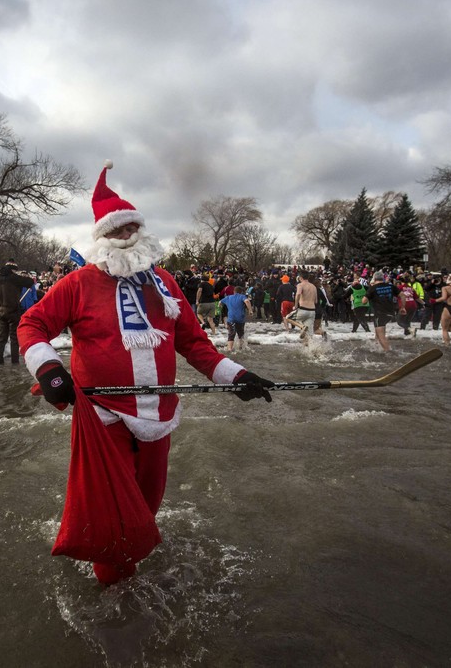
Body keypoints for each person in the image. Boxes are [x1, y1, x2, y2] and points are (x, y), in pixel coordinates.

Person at [18, 161, 274, 585]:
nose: (126, 236)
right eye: (117, 230)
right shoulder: (78, 284)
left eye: (132, 227)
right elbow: (32, 325)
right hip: (102, 416)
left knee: (146, 504)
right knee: (113, 511)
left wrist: (237, 376)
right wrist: (49, 370)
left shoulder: (165, 284)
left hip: (158, 414)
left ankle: (130, 566)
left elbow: (193, 343)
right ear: (101, 237)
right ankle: (115, 595)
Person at [0, 259, 35, 364]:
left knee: (2, 337)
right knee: (14, 338)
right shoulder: (14, 278)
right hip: (13, 310)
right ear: (13, 269)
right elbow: (30, 282)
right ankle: (15, 362)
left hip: (2, 310)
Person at [366, 271, 405, 352]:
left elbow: (364, 301)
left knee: (381, 336)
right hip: (390, 313)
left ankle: (388, 352)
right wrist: (403, 307)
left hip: (379, 313)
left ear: (374, 279)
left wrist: (370, 291)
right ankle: (377, 348)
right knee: (378, 331)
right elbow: (402, 295)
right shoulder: (390, 286)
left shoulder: (373, 288)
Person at [220, 285, 252, 352]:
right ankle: (241, 348)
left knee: (231, 333)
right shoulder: (242, 296)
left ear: (234, 291)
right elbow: (247, 301)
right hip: (240, 318)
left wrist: (220, 307)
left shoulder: (228, 297)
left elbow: (220, 302)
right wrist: (250, 310)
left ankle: (229, 348)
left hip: (231, 318)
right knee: (241, 333)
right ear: (241, 292)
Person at [292, 271, 318, 340]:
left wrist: (296, 305)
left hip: (303, 309)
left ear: (300, 278)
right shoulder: (313, 286)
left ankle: (302, 327)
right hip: (312, 310)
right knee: (309, 333)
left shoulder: (300, 285)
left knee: (288, 318)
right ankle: (311, 348)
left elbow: (298, 294)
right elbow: (316, 301)